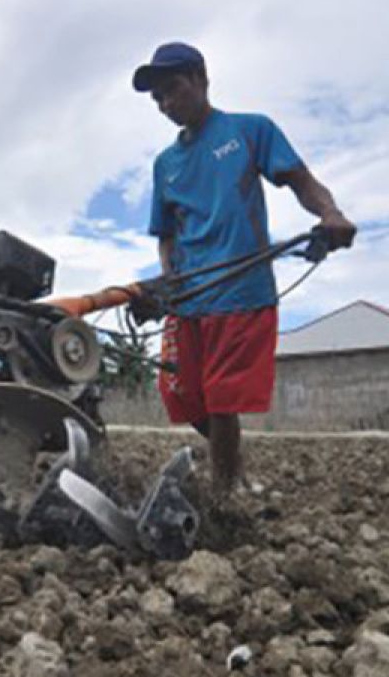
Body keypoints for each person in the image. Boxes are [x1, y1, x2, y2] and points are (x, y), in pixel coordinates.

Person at [132, 41, 356, 503]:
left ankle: (226, 496)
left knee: (221, 400)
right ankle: (233, 465)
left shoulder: (249, 131)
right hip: (190, 296)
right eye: (158, 100)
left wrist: (330, 213)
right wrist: (168, 280)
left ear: (201, 79)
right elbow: (167, 235)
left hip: (243, 293)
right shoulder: (165, 165)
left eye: (172, 90)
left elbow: (300, 179)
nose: (166, 105)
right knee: (181, 394)